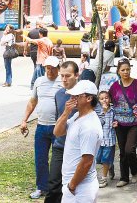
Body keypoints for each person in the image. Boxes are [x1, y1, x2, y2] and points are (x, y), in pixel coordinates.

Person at [20, 56, 63, 199]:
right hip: (41, 126)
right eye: (47, 68)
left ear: (58, 68)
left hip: (58, 127)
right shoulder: (39, 82)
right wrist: (24, 120)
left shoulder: (63, 82)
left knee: (59, 159)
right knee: (40, 159)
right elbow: (32, 102)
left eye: (52, 68)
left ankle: (57, 188)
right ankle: (42, 187)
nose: (49, 71)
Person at [54, 80, 103, 203]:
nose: (72, 98)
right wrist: (66, 112)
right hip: (74, 186)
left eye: (77, 96)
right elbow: (58, 132)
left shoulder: (89, 126)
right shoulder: (77, 116)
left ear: (89, 98)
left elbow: (87, 161)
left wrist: (72, 186)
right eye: (72, 95)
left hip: (80, 188)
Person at [109, 58, 137, 187]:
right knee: (123, 151)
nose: (126, 72)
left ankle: (134, 171)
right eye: (123, 70)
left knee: (130, 149)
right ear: (118, 71)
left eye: (128, 69)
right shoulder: (114, 86)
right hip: (120, 123)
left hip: (135, 122)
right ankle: (124, 178)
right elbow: (110, 102)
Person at [44, 61, 79, 203]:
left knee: (73, 187)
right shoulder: (58, 94)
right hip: (60, 146)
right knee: (54, 185)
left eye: (68, 76)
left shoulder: (85, 95)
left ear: (77, 75)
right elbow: (58, 119)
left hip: (78, 148)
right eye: (62, 76)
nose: (64, 79)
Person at [95, 90, 117, 188]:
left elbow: (116, 119)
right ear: (99, 101)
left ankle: (104, 179)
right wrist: (103, 112)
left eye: (106, 98)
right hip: (100, 141)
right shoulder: (97, 112)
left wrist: (116, 123)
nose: (104, 100)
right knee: (98, 159)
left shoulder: (113, 110)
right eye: (102, 98)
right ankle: (110, 166)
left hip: (109, 140)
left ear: (110, 99)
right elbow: (98, 124)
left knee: (105, 160)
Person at [26, 21, 43, 89]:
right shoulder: (42, 33)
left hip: (32, 52)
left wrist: (25, 50)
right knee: (38, 68)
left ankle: (35, 83)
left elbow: (26, 42)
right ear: (39, 24)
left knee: (36, 67)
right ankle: (35, 84)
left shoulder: (31, 32)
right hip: (39, 52)